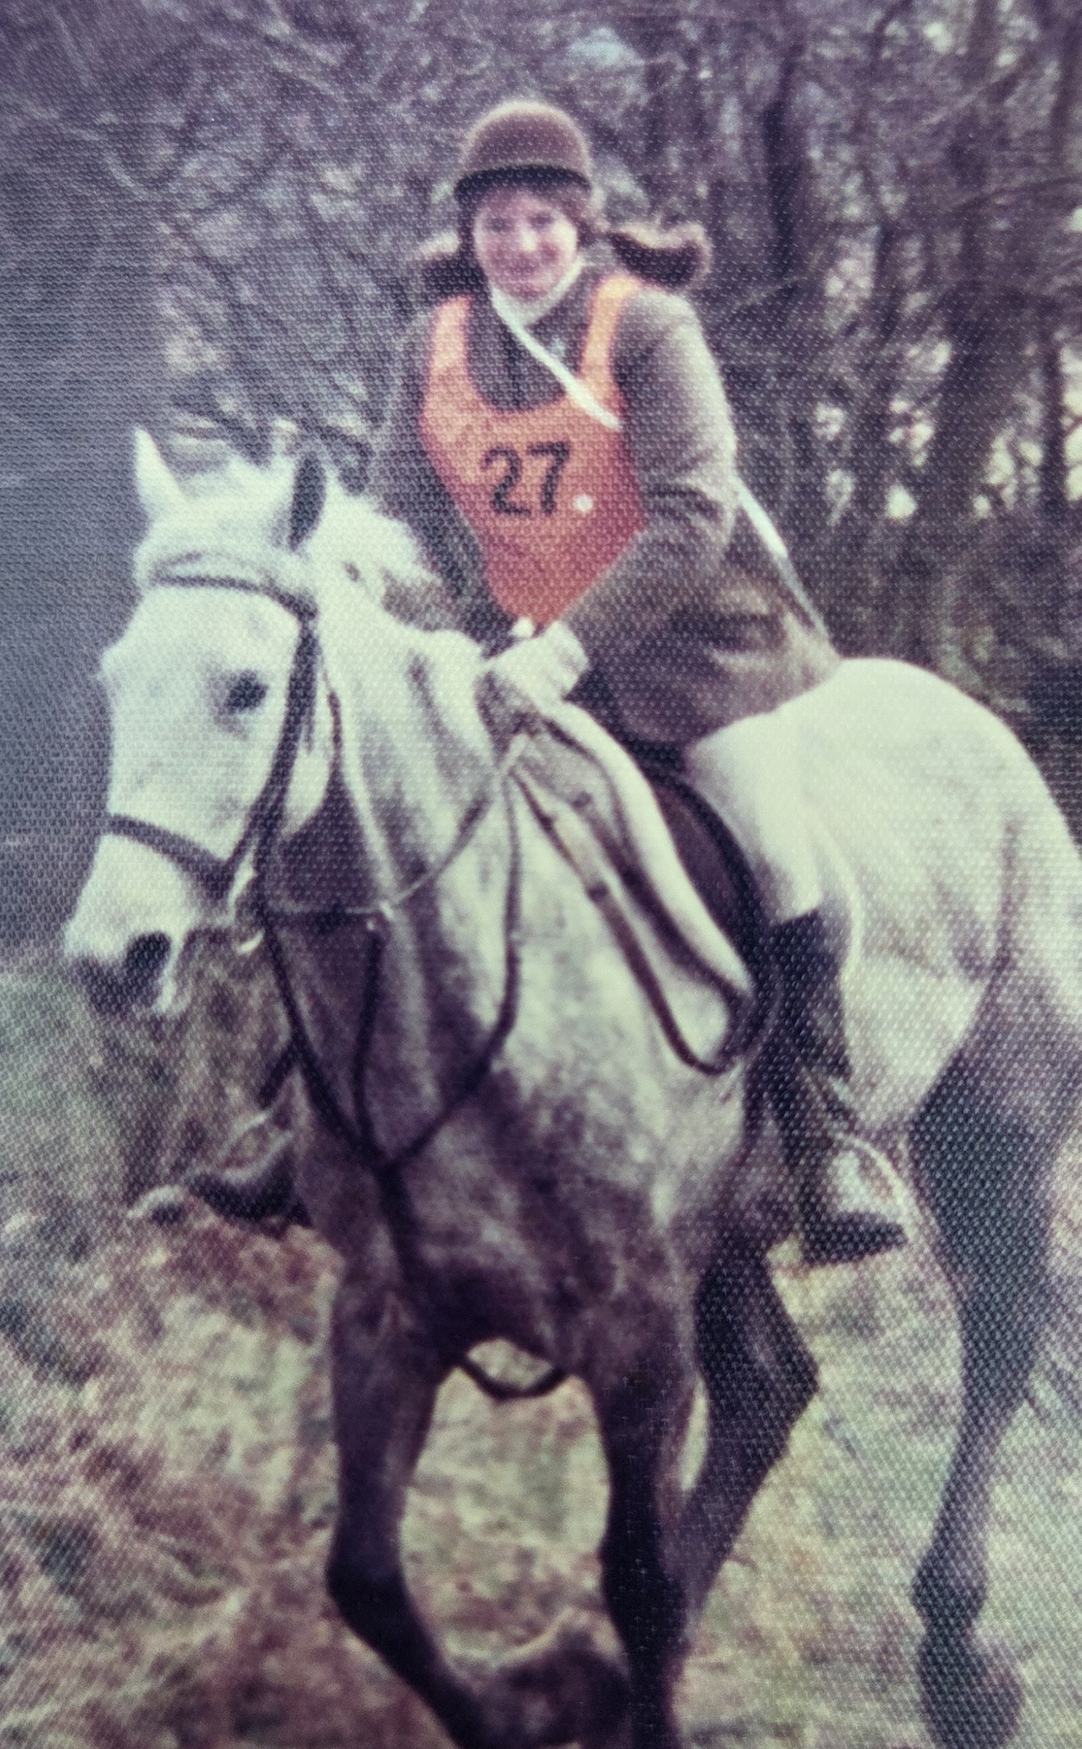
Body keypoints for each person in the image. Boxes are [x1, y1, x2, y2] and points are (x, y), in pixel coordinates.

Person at [371, 98, 908, 1265]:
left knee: (771, 849)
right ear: (468, 235)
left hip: (694, 647)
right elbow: (395, 525)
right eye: (496, 224)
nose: (519, 245)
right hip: (512, 655)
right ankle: (326, 1122)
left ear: (581, 222)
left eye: (541, 221)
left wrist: (562, 649)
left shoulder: (650, 329)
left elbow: (688, 520)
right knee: (387, 838)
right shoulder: (431, 347)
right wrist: (436, 639)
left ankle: (826, 1139)